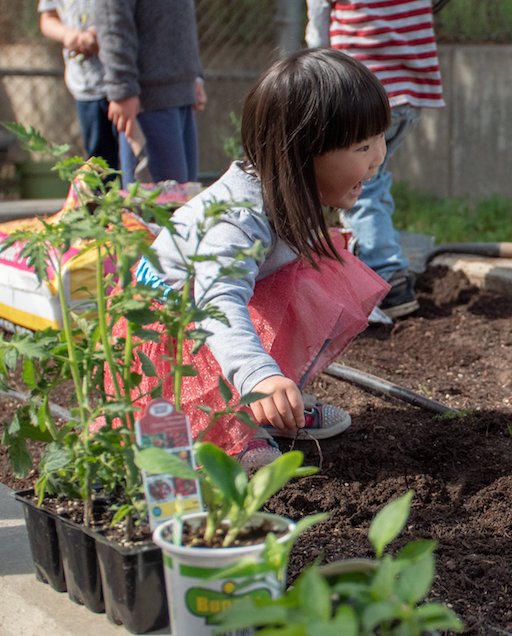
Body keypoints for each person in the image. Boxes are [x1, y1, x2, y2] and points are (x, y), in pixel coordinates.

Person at [120, 49, 391, 469]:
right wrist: (257, 375)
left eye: (379, 139)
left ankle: (276, 406)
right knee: (253, 312)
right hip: (164, 337)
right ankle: (227, 427)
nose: (378, 157)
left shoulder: (284, 192)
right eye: (362, 146)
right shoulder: (239, 221)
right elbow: (215, 306)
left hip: (202, 317)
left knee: (310, 274)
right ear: (303, 154)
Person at [306, 0, 445, 319]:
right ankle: (373, 260)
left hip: (362, 93)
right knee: (373, 177)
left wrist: (317, 71)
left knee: (359, 184)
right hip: (410, 95)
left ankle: (387, 275)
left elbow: (318, 21)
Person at [94, 0, 206, 185]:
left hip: (181, 96)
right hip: (148, 102)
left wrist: (195, 76)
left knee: (184, 202)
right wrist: (122, 87)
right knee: (155, 206)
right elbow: (112, 19)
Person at [38, 0, 118, 169]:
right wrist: (67, 35)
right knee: (99, 163)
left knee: (133, 162)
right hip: (86, 86)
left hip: (125, 85)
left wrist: (101, 33)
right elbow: (48, 18)